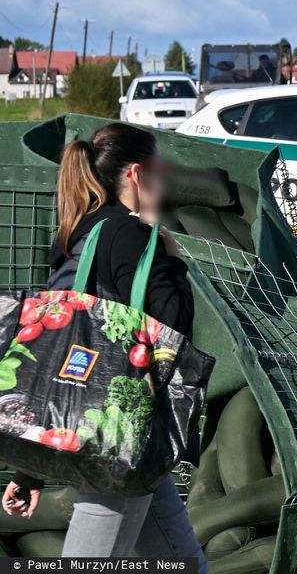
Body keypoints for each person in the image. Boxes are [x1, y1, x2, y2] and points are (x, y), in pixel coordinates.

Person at [0, 123, 207, 571]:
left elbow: (52, 358)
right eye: (160, 170)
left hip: (109, 435)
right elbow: (174, 331)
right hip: (116, 435)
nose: (165, 181)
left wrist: (32, 469)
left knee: (181, 562)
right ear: (137, 173)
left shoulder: (77, 236)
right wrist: (169, 257)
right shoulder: (132, 236)